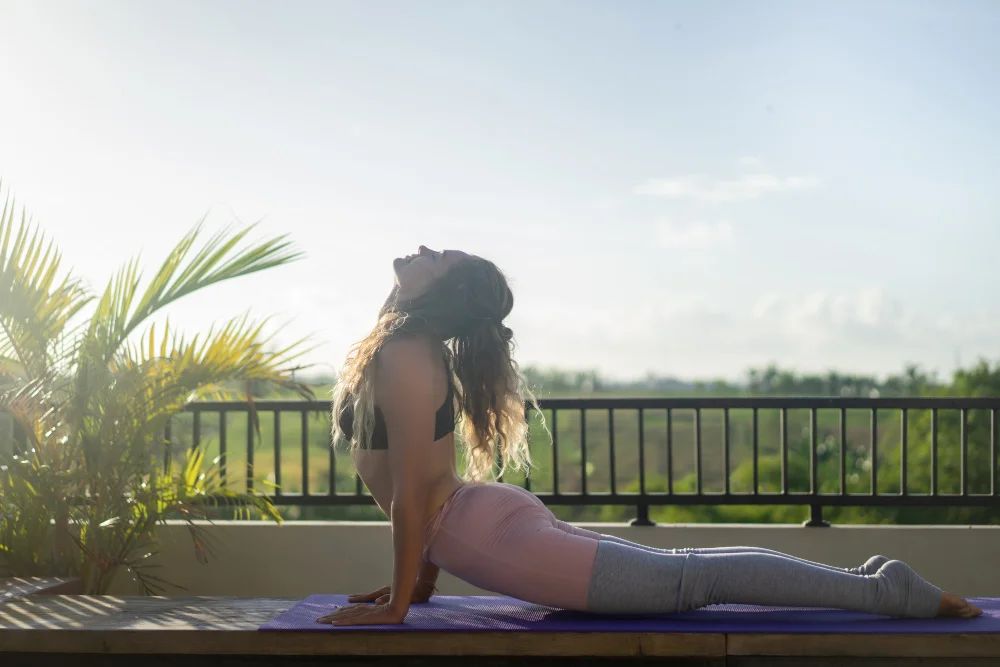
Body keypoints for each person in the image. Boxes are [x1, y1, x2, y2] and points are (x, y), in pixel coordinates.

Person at [319, 246, 982, 626]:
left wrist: (399, 606)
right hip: (483, 519)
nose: (424, 250)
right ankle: (870, 580)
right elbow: (423, 486)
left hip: (484, 527)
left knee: (690, 581)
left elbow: (413, 494)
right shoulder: (407, 343)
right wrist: (416, 588)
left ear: (442, 293)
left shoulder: (407, 352)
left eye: (440, 256)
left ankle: (885, 590)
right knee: (688, 573)